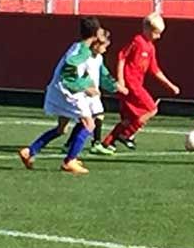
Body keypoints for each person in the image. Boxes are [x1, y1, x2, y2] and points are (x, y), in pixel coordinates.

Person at [18, 20, 124, 175]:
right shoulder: (83, 52)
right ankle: (70, 161)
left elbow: (90, 73)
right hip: (67, 91)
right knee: (89, 124)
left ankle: (30, 151)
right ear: (95, 35)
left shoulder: (80, 47)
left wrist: (113, 86)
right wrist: (85, 87)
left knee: (62, 128)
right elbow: (68, 73)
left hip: (62, 89)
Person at [99, 12, 180, 153]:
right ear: (147, 29)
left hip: (136, 84)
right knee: (151, 109)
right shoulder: (137, 41)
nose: (158, 37)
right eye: (156, 33)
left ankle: (106, 143)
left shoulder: (151, 47)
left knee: (128, 119)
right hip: (131, 84)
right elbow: (122, 57)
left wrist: (170, 85)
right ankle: (127, 134)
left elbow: (155, 70)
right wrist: (121, 79)